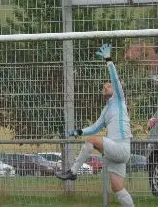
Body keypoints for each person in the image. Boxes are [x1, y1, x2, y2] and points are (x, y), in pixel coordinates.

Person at [55, 43, 135, 207]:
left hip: (121, 147)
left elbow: (115, 79)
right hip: (115, 151)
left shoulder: (119, 100)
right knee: (118, 188)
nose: (106, 86)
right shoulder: (106, 111)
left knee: (92, 140)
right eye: (103, 86)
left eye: (108, 85)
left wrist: (108, 59)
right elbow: (94, 127)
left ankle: (73, 171)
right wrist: (76, 132)